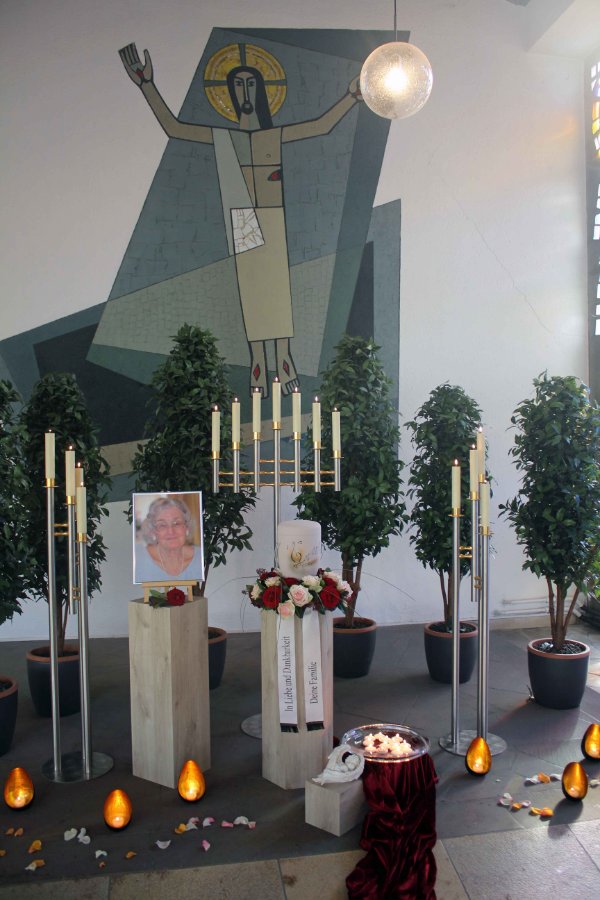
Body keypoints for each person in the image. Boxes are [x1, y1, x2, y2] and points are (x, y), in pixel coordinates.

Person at [119, 43, 362, 398]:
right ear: (229, 94)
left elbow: (322, 125)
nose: (245, 92)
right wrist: (146, 85)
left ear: (262, 91)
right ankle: (258, 361)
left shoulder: (272, 136)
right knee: (253, 293)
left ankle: (284, 357)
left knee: (276, 292)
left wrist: (353, 95)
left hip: (272, 217)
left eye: (251, 84)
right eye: (238, 85)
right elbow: (174, 128)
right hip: (243, 219)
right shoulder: (224, 138)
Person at [134, 495, 203, 583]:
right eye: (162, 525)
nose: (171, 531)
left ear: (187, 527)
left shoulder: (200, 557)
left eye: (177, 523)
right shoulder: (138, 558)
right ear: (153, 531)